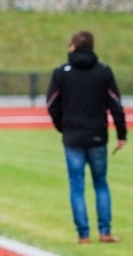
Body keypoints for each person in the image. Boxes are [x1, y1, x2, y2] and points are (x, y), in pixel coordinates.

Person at [46, 30, 127, 244]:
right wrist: (121, 133)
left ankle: (83, 235)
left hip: (73, 136)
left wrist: (62, 126)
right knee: (101, 183)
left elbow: (52, 104)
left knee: (77, 185)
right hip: (97, 135)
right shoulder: (103, 71)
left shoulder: (62, 72)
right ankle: (105, 231)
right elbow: (115, 104)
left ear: (73, 46)